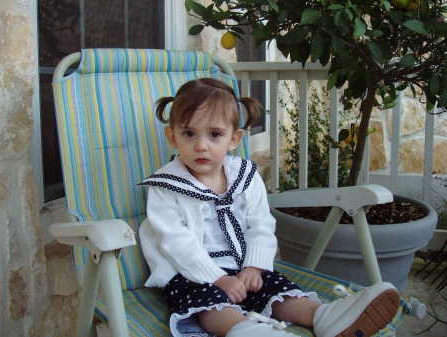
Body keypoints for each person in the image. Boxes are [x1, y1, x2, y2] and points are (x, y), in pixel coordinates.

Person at [139, 78, 400, 337]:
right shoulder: (166, 186)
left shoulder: (244, 175)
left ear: (234, 139)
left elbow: (261, 223)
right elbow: (175, 242)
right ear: (172, 137)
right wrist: (216, 278)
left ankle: (325, 317)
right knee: (211, 305)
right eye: (189, 134)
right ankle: (246, 330)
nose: (201, 145)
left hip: (242, 264)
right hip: (191, 270)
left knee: (274, 288)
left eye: (215, 134)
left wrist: (254, 266)